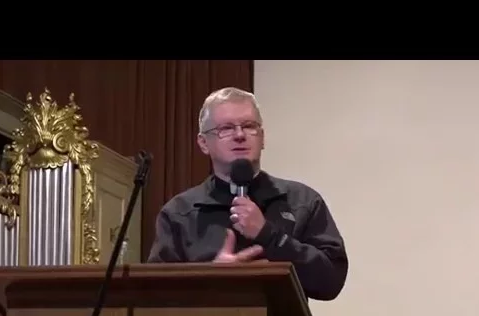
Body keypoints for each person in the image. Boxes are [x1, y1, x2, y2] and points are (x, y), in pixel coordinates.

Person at [146, 87, 348, 301]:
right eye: (226, 128)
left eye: (249, 126)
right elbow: (156, 298)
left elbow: (331, 281)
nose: (240, 135)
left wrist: (270, 236)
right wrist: (212, 278)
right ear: (204, 143)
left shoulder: (302, 201)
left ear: (262, 137)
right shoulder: (178, 213)